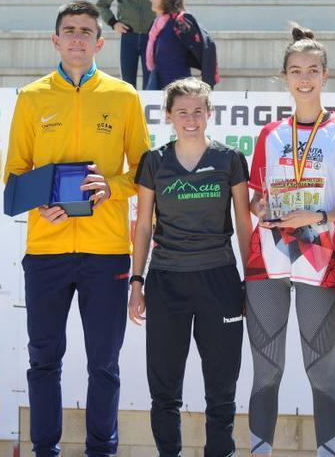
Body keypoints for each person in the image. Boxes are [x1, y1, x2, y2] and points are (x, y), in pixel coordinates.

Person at [4, 0, 151, 457]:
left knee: (103, 365)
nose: (77, 38)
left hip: (106, 250)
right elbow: (14, 175)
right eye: (69, 30)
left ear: (100, 42)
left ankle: (101, 450)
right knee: (43, 361)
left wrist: (112, 186)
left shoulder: (123, 96)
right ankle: (44, 450)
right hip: (45, 250)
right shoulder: (31, 98)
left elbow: (145, 174)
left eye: (86, 31)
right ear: (55, 39)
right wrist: (39, 203)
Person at [245, 25, 335, 456]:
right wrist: (261, 208)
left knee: (321, 370)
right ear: (284, 77)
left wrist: (319, 215)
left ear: (326, 75)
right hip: (268, 260)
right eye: (296, 70)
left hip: (322, 259)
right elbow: (257, 198)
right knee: (266, 370)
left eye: (312, 70)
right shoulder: (270, 134)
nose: (304, 78)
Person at [127, 77, 252, 457]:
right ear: (168, 116)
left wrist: (251, 280)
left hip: (220, 280)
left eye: (198, 111)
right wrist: (137, 281)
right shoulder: (154, 161)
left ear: (210, 113)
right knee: (164, 389)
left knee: (221, 388)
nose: (191, 118)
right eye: (182, 111)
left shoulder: (229, 159)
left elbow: (244, 223)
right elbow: (144, 225)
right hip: (167, 282)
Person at [145, 0, 218, 90]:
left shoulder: (180, 21)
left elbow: (207, 46)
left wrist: (207, 81)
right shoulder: (157, 24)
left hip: (178, 90)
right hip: (158, 84)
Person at [96, 0, 158, 89]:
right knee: (127, 82)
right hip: (129, 37)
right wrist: (113, 23)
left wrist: (160, 26)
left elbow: (167, 5)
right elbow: (102, 4)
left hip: (151, 37)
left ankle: (146, 107)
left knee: (151, 80)